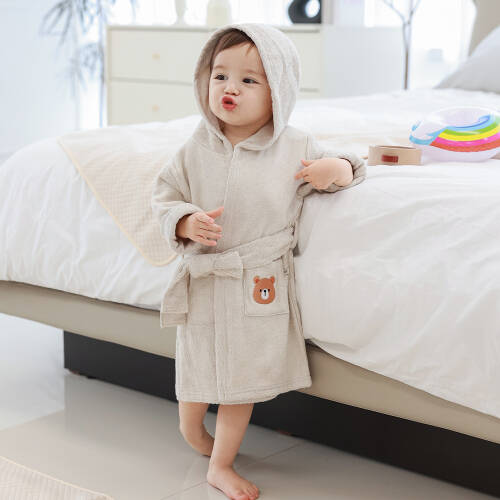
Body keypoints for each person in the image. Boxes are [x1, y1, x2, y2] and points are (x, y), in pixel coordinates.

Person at [151, 23, 366, 500]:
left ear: (278, 93)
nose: (230, 88)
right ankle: (193, 433)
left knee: (241, 381)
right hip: (205, 277)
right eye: (220, 75)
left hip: (256, 281)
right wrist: (184, 222)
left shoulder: (295, 146)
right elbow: (164, 197)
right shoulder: (194, 148)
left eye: (249, 80)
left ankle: (221, 465)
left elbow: (351, 166)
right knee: (195, 366)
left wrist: (335, 168)